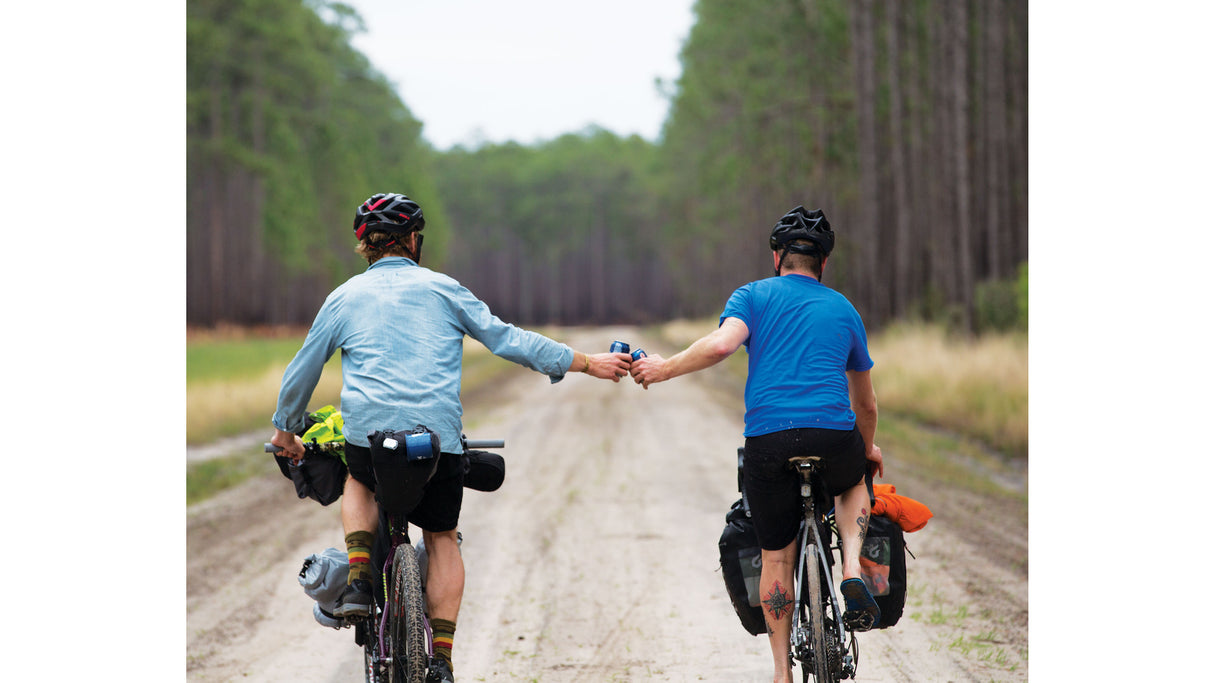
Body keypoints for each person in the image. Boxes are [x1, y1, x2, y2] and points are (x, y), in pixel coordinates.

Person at [271, 192, 632, 683]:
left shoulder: (344, 297)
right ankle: (440, 657)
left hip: (368, 437)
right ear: (414, 240)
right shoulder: (445, 290)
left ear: (366, 248)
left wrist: (286, 428)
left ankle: (358, 580)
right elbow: (509, 339)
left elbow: (303, 369)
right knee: (441, 537)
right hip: (436, 441)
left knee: (360, 476)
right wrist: (587, 362)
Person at [628, 206, 883, 683]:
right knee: (855, 481)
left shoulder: (752, 296)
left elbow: (723, 345)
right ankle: (850, 565)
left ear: (776, 257)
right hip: (832, 436)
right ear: (823, 264)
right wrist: (866, 450)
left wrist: (663, 369)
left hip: (769, 442)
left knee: (776, 557)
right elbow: (865, 405)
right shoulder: (844, 309)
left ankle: (782, 672)